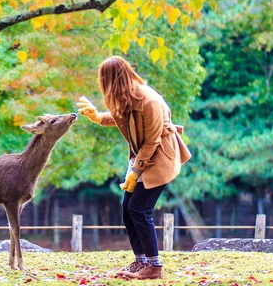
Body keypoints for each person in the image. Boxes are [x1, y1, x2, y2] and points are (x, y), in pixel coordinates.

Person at [77, 56, 191, 280]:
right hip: (142, 157)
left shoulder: (149, 101)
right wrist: (98, 117)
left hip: (159, 158)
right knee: (127, 208)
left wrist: (135, 172)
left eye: (105, 82)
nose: (104, 88)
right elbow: (123, 117)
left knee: (139, 208)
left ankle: (154, 266)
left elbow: (152, 142)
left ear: (114, 80)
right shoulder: (128, 96)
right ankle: (141, 261)